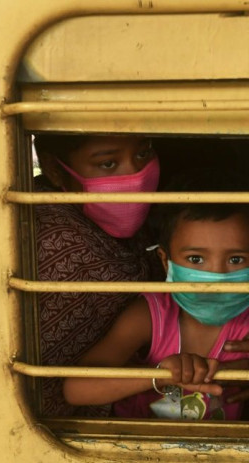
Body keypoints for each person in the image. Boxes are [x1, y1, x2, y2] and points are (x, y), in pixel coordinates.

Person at [62, 172, 249, 422]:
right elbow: (75, 390)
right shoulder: (149, 314)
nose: (216, 275)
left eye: (236, 259)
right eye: (196, 259)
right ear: (166, 262)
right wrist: (159, 377)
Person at [33, 134, 164, 417]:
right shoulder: (51, 241)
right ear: (54, 169)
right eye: (108, 164)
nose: (136, 176)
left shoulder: (137, 227)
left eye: (143, 154)